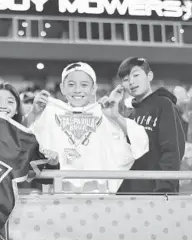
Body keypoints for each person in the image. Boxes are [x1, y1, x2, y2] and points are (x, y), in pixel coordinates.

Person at [24, 62, 149, 193]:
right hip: (58, 194)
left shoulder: (104, 113)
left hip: (96, 194)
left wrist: (116, 116)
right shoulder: (49, 113)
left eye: (84, 85)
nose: (77, 90)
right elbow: (18, 140)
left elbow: (140, 143)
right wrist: (33, 114)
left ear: (93, 88)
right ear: (62, 88)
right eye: (71, 85)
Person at [117, 57, 185, 194]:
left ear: (149, 76)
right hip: (129, 193)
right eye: (125, 79)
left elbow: (172, 150)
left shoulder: (164, 105)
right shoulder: (130, 116)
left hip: (157, 192)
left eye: (136, 75)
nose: (131, 82)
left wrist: (165, 189)